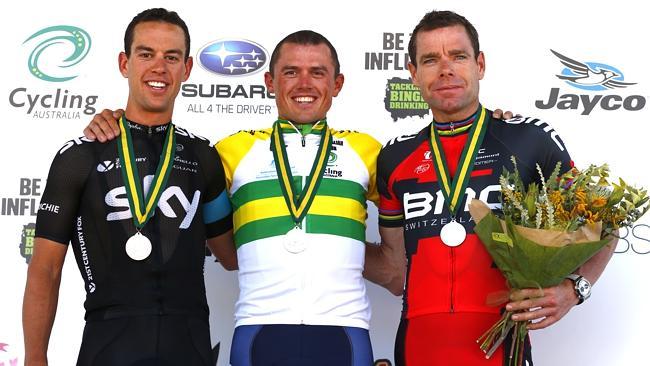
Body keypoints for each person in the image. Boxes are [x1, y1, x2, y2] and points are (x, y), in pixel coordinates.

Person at [364, 10, 617, 366]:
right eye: (430, 59)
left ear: (479, 64)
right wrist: (325, 244)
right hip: (417, 349)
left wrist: (575, 289)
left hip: (502, 349)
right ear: (413, 73)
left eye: (459, 56)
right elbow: (393, 268)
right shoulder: (395, 156)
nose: (445, 69)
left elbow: (605, 222)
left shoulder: (529, 139)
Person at [22, 8, 235, 366]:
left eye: (172, 57)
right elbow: (45, 270)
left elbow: (229, 255)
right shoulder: (79, 157)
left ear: (187, 68)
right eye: (146, 54)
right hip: (109, 344)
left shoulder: (204, 156)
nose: (159, 67)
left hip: (189, 345)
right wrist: (35, 358)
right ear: (125, 63)